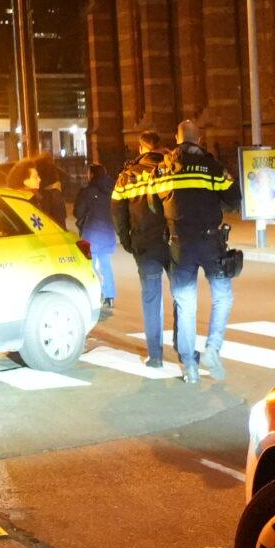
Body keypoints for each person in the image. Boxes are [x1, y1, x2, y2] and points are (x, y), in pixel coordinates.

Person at [159, 119, 236, 384]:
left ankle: (189, 368)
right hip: (210, 241)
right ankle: (212, 349)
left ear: (177, 138)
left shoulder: (164, 168)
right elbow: (234, 197)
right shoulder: (212, 166)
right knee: (223, 296)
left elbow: (155, 204)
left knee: (185, 304)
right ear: (200, 139)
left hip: (180, 243)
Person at [112, 132, 174, 372]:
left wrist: (126, 238)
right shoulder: (171, 168)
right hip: (172, 241)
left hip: (144, 243)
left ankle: (155, 356)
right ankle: (185, 349)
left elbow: (117, 211)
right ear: (159, 146)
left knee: (151, 298)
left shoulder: (127, 175)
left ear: (141, 148)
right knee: (181, 296)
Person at [77, 160, 119, 316]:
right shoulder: (113, 189)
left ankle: (93, 294)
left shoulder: (88, 191)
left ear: (92, 174)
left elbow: (78, 211)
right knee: (106, 264)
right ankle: (110, 296)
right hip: (108, 231)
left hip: (90, 232)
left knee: (90, 265)